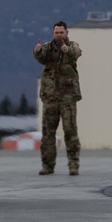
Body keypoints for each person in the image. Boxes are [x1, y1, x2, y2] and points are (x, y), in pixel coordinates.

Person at [32, 21, 82, 176]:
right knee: (48, 133)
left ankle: (73, 164)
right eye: (56, 33)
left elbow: (76, 53)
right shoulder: (48, 48)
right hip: (51, 97)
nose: (59, 35)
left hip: (67, 97)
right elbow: (41, 58)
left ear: (66, 33)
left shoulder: (72, 46)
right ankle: (47, 165)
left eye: (61, 32)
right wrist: (37, 51)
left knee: (70, 130)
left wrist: (67, 51)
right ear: (53, 33)